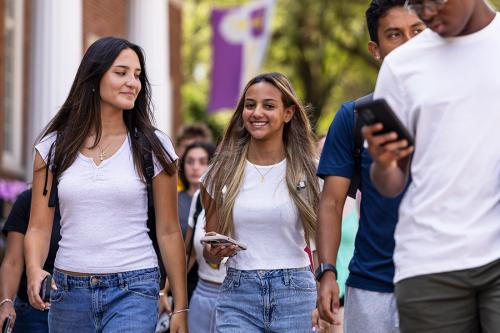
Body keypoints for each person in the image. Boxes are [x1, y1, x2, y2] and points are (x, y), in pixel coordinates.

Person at [24, 37, 188, 333]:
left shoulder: (154, 146)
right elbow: (37, 227)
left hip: (134, 287)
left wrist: (181, 307)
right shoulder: (53, 147)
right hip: (68, 291)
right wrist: (35, 269)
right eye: (121, 72)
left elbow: (169, 230)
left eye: (137, 75)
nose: (133, 83)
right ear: (94, 76)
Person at [363, 1, 500, 332]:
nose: (426, 12)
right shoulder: (400, 65)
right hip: (429, 261)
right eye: (417, 3)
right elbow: (391, 182)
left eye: (435, 0)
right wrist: (383, 164)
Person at [315, 1, 425, 332]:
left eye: (418, 31)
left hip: (442, 277)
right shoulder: (354, 116)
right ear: (375, 49)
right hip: (372, 284)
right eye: (395, 34)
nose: (409, 44)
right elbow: (332, 203)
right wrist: (328, 272)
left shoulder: (460, 108)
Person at [201, 72, 321, 332]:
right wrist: (215, 251)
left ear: (288, 113)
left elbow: (323, 243)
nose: (257, 113)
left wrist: (325, 291)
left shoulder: (311, 172)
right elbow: (210, 253)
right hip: (238, 294)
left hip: (296, 294)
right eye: (250, 105)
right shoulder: (219, 172)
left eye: (268, 106)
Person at [0, 189, 60, 333]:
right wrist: (6, 302)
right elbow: (13, 261)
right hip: (33, 310)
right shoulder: (29, 200)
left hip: (80, 308)